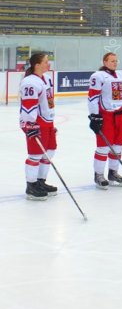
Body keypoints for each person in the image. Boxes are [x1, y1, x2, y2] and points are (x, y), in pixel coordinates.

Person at [88, 52, 122, 189]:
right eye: (112, 61)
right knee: (103, 147)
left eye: (116, 61)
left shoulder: (119, 76)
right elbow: (93, 98)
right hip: (106, 116)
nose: (115, 63)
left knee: (118, 146)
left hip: (120, 115)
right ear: (105, 62)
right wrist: (94, 115)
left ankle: (113, 173)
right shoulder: (98, 76)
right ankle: (99, 175)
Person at [19, 52, 57, 200]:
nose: (49, 64)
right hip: (35, 123)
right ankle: (31, 185)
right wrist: (30, 125)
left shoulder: (46, 79)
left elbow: (48, 102)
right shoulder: (30, 82)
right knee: (35, 154)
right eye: (46, 61)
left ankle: (40, 181)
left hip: (47, 121)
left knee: (50, 151)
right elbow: (29, 107)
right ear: (37, 65)